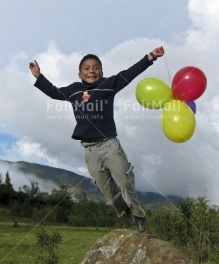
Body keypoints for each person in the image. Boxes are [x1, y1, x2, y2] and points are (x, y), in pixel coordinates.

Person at [29, 46, 165, 232]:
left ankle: (138, 213)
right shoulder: (74, 90)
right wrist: (38, 76)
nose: (91, 71)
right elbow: (53, 91)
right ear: (79, 73)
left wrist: (150, 57)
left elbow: (130, 72)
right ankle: (124, 211)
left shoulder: (109, 84)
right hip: (89, 149)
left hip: (110, 144)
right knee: (106, 189)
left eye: (95, 68)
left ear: (102, 72)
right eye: (86, 68)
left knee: (124, 181)